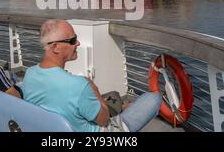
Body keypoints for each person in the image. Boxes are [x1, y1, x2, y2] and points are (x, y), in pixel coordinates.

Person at [22, 19, 162, 132]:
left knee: (113, 97)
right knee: (154, 98)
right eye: (72, 40)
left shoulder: (30, 74)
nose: (78, 43)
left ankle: (124, 107)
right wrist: (92, 87)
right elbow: (104, 120)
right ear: (55, 47)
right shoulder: (78, 85)